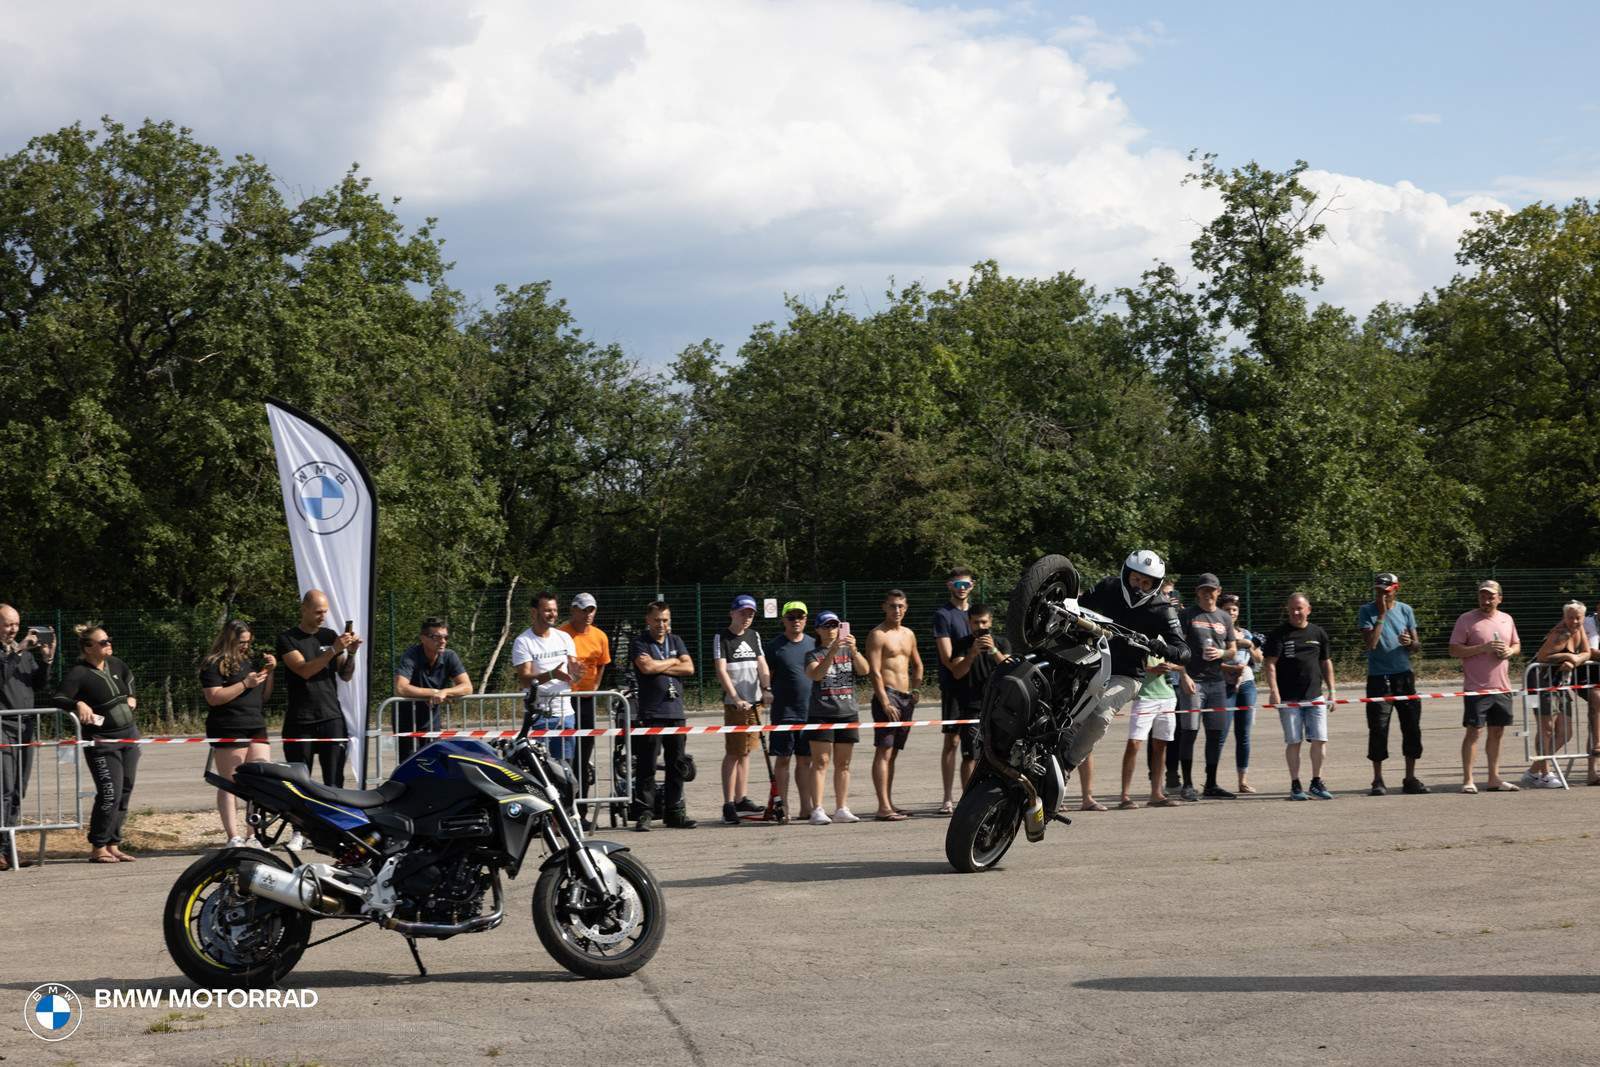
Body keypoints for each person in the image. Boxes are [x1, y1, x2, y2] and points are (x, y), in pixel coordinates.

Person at [1074, 550, 1192, 779]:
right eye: (1136, 579)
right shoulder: (1109, 586)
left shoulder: (1163, 608)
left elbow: (1184, 652)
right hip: (1091, 664)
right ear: (1126, 573)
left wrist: (1163, 649)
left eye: (1146, 583)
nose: (1139, 586)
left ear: (1155, 585)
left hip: (1127, 675)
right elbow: (1077, 606)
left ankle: (1069, 763)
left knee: (1100, 713)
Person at [54, 623, 139, 863]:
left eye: (108, 640)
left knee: (125, 791)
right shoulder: (79, 673)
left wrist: (132, 696)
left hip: (129, 736)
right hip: (103, 741)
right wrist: (78, 704)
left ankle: (114, 844)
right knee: (110, 793)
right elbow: (59, 697)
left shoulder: (116, 663)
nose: (108, 644)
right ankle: (98, 846)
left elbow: (129, 677)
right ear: (88, 647)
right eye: (102, 642)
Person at [199, 619, 276, 848]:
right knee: (229, 782)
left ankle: (253, 834)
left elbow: (264, 696)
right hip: (228, 726)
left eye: (248, 641)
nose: (245, 646)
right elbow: (214, 697)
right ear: (229, 639)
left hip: (256, 724)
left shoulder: (251, 661)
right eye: (241, 642)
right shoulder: (213, 663)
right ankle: (233, 837)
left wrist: (270, 672)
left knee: (259, 781)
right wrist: (244, 684)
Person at [276, 589, 361, 793]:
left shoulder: (329, 635)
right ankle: (300, 815)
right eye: (317, 612)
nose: (322, 616)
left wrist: (351, 654)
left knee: (334, 782)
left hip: (331, 717)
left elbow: (345, 675)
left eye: (325, 612)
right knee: (299, 782)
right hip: (300, 719)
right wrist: (333, 650)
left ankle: (333, 813)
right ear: (304, 609)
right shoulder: (288, 638)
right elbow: (304, 670)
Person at [628, 601, 696, 831]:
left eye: (665, 620)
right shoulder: (639, 642)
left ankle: (675, 812)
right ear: (648, 619)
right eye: (657, 620)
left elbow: (689, 668)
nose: (661, 624)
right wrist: (674, 661)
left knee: (676, 764)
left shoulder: (675, 640)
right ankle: (644, 813)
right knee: (647, 764)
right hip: (651, 712)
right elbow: (646, 668)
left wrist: (661, 665)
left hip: (675, 711)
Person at [1358, 572, 1428, 796]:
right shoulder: (1367, 611)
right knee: (1378, 729)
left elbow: (1416, 646)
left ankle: (1410, 778)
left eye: (1385, 591)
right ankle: (1377, 780)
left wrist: (1410, 642)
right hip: (1379, 678)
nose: (1381, 595)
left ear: (1396, 590)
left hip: (1404, 677)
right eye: (1378, 591)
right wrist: (1381, 614)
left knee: (1411, 727)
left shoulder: (1405, 610)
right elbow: (1371, 644)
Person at [1449, 579, 1522, 793]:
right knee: (1475, 732)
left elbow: (1516, 644)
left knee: (1497, 731)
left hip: (1502, 687)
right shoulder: (1466, 619)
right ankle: (1468, 779)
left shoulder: (1507, 619)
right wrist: (1482, 648)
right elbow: (1454, 650)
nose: (1486, 600)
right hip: (1477, 687)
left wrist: (1511, 651)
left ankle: (1494, 779)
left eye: (1491, 597)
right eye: (1483, 596)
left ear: (1499, 599)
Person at [1262, 593, 1336, 801]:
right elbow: (1270, 663)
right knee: (1294, 741)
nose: (1296, 612)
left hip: (1315, 697)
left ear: (1308, 610)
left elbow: (1326, 663)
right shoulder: (1279, 634)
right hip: (1289, 699)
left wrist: (1332, 691)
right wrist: (1274, 691)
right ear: (1288, 610)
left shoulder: (1318, 633)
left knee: (1319, 740)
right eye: (1292, 609)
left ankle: (1316, 782)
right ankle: (1295, 785)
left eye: (1299, 608)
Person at [1172, 573, 1238, 801]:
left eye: (1212, 589)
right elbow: (1177, 649)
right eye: (1204, 589)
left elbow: (1233, 651)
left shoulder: (1224, 617)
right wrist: (1183, 676)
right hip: (1194, 682)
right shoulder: (1186, 615)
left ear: (1219, 592)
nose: (1208, 593)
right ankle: (1187, 785)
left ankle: (1211, 784)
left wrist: (1220, 653)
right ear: (1198, 592)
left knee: (1215, 733)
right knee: (1189, 732)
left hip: (1217, 683)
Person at [1, 605, 55, 868]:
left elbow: (40, 684)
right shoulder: (14, 652)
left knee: (18, 790)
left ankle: (8, 847)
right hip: (3, 725)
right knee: (4, 789)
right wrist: (19, 650)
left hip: (26, 726)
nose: (13, 630)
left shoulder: (23, 653)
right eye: (7, 625)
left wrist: (47, 659)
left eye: (16, 624)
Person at [803, 611, 869, 824]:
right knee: (821, 761)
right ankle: (817, 809)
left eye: (834, 625)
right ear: (818, 630)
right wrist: (831, 653)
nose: (831, 629)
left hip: (847, 712)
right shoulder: (812, 654)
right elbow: (816, 675)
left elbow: (864, 670)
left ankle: (841, 808)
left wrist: (854, 649)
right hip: (821, 713)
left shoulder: (849, 651)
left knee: (844, 763)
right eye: (826, 626)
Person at [947, 603, 1017, 799]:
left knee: (1001, 756)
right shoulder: (962, 644)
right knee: (970, 755)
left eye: (984, 622)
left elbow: (1010, 670)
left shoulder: (1001, 643)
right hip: (972, 708)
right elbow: (957, 673)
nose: (980, 626)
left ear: (990, 622)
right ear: (969, 622)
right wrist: (971, 654)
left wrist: (993, 650)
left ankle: (999, 797)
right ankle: (968, 799)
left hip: (999, 708)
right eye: (976, 622)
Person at [864, 589, 923, 821]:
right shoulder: (877, 635)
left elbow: (917, 664)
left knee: (894, 753)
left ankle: (889, 803)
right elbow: (874, 672)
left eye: (900, 606)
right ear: (884, 607)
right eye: (892, 606)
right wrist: (885, 702)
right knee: (884, 750)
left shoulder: (909, 634)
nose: (896, 610)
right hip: (887, 696)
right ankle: (882, 807)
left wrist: (916, 690)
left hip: (906, 698)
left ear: (906, 608)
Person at [713, 595, 769, 825]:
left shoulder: (754, 635)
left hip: (755, 703)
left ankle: (741, 798)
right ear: (732, 613)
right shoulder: (722, 637)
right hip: (736, 705)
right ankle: (728, 804)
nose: (746, 618)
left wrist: (766, 688)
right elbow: (721, 670)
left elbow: (762, 664)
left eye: (750, 614)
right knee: (733, 753)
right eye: (742, 613)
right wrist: (735, 697)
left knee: (746, 751)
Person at [513, 593, 583, 764]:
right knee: (538, 765)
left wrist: (577, 674)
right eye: (547, 610)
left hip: (565, 713)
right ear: (534, 612)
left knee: (565, 765)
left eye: (555, 610)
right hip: (537, 715)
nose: (553, 614)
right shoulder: (523, 641)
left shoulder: (564, 637)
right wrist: (552, 674)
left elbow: (574, 678)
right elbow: (525, 680)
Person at [762, 601, 816, 824]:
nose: (796, 621)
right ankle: (782, 807)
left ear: (806, 619)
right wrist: (766, 691)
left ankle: (807, 807)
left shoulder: (814, 644)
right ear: (783, 619)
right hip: (783, 713)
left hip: (809, 713)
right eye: (791, 617)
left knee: (805, 760)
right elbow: (766, 674)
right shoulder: (774, 646)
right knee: (783, 759)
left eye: (800, 617)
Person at [392, 616, 473, 762]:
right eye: (437, 637)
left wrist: (445, 691)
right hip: (406, 721)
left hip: (431, 721)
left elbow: (467, 687)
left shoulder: (450, 656)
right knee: (410, 765)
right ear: (423, 638)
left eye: (445, 637)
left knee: (433, 764)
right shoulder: (411, 655)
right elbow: (400, 688)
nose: (443, 641)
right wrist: (434, 692)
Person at [559, 593, 611, 814]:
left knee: (583, 756)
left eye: (591, 610)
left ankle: (580, 811)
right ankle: (561, 811)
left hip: (586, 701)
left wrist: (595, 687)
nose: (588, 614)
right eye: (584, 610)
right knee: (562, 757)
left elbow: (601, 664)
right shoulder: (561, 634)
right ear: (573, 610)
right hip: (563, 701)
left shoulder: (600, 636)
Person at [1529, 601, 1590, 787]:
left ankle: (1533, 771)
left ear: (1583, 618)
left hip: (1560, 683)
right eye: (1570, 618)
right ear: (1564, 618)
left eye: (1578, 618)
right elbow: (1542, 657)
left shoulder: (1579, 630)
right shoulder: (1561, 633)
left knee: (1565, 733)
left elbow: (1586, 652)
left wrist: (1576, 659)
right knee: (1546, 729)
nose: (1574, 621)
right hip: (1538, 682)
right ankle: (1546, 773)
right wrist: (1567, 656)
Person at [933, 567, 975, 814]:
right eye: (957, 584)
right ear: (950, 586)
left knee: (976, 744)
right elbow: (947, 657)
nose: (962, 589)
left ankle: (972, 796)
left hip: (977, 689)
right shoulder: (943, 615)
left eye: (966, 585)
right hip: (954, 686)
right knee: (952, 741)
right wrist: (962, 670)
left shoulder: (976, 614)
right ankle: (947, 798)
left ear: (971, 586)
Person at [1118, 653, 1181, 809]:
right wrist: (1153, 669)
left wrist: (1173, 668)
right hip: (1144, 697)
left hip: (1168, 696)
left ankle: (1156, 794)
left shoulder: (1167, 641)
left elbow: (1182, 661)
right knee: (1134, 743)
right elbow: (1128, 664)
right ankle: (1125, 795)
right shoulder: (1139, 640)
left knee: (1161, 746)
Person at [1217, 595, 1262, 793]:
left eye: (1234, 610)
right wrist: (1230, 669)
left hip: (1247, 686)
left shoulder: (1245, 633)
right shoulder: (1216, 633)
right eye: (1227, 609)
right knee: (1220, 734)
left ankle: (1242, 781)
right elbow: (1209, 662)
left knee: (1243, 735)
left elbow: (1259, 660)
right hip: (1224, 686)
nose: (1231, 613)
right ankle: (1211, 780)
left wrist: (1249, 645)